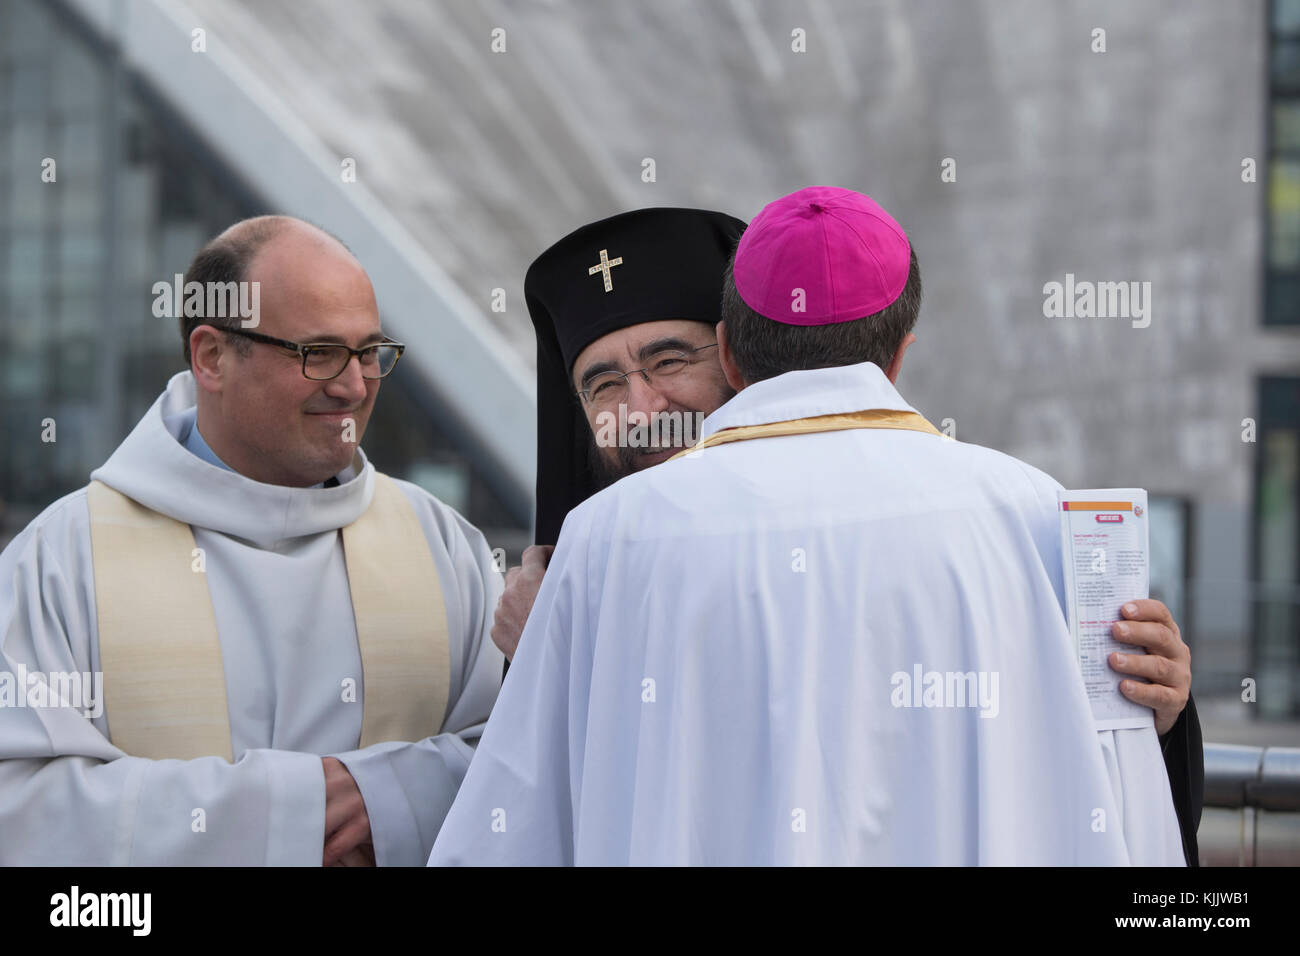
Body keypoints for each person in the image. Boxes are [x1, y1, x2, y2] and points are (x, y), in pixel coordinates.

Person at [430, 188, 1187, 864]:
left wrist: (1158, 704)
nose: (641, 408)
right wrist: (559, 658)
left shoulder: (606, 543)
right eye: (602, 383)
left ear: (735, 353)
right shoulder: (1029, 504)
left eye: (668, 361)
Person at [0, 216, 504, 866]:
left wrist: (384, 797)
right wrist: (292, 810)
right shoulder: (61, 559)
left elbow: (520, 762)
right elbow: (19, 805)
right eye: (319, 352)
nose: (353, 385)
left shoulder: (443, 546)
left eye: (370, 352)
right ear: (211, 356)